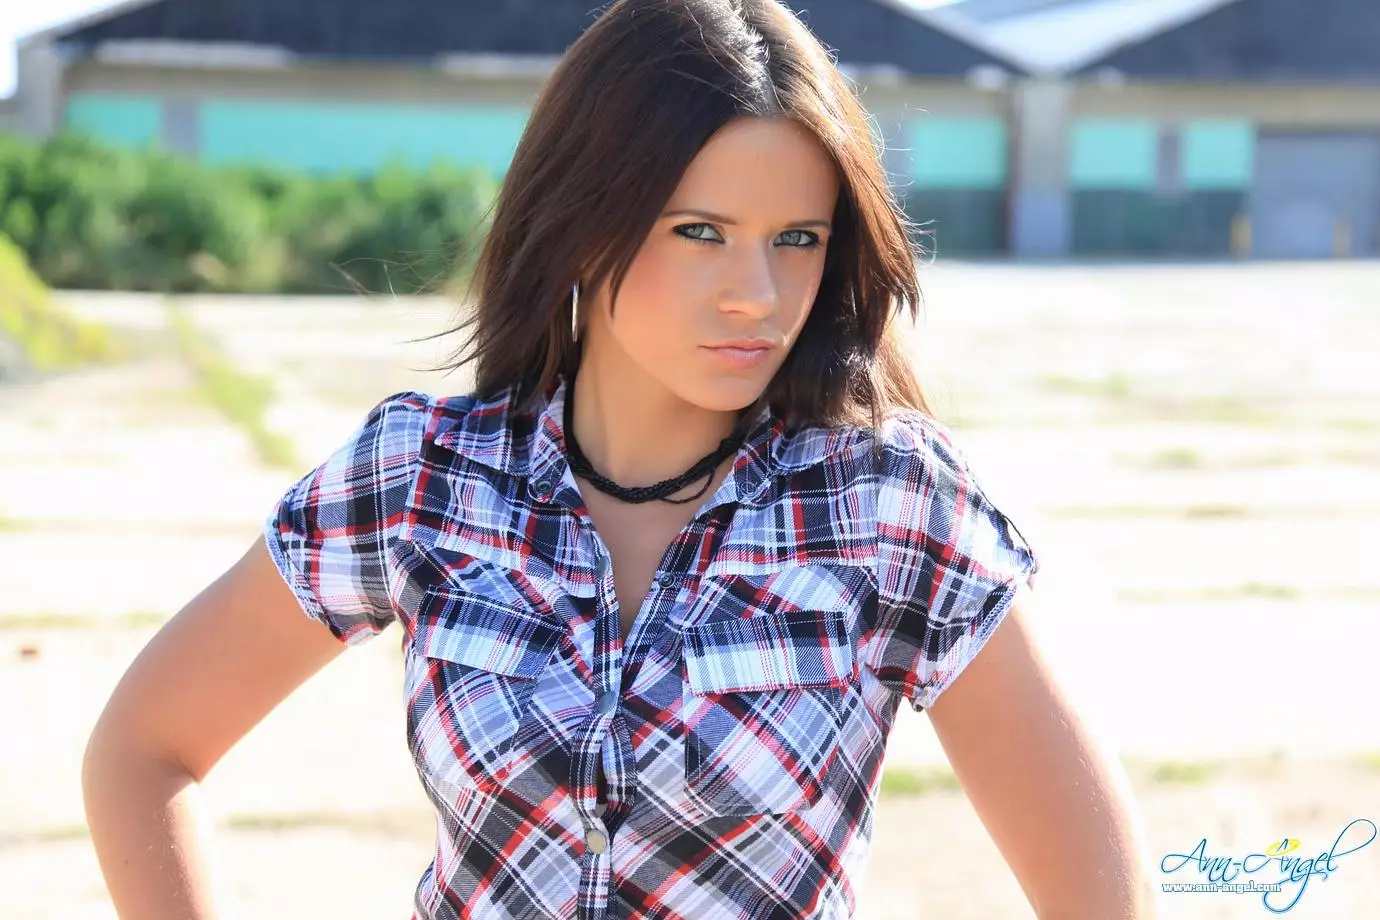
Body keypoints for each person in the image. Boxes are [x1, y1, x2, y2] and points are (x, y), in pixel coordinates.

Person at [81, 1, 1157, 917]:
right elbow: (143, 751)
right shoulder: (421, 478)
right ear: (585, 223)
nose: (759, 295)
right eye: (701, 232)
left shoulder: (888, 504)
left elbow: (1104, 894)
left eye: (798, 238)